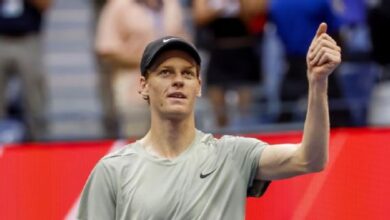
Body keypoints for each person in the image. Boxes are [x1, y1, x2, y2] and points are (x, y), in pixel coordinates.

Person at [78, 22, 341, 219]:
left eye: (188, 73)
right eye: (165, 72)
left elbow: (311, 158)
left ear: (199, 85)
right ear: (144, 86)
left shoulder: (232, 154)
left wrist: (317, 83)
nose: (178, 80)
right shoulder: (113, 170)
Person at [95, 0, 189, 138]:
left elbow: (184, 41)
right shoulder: (119, 5)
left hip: (172, 86)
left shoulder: (171, 4)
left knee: (174, 139)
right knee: (137, 139)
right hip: (134, 87)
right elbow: (106, 50)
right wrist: (150, 62)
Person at [192, 0, 267, 128]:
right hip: (218, 51)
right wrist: (220, 8)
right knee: (218, 107)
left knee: (246, 111)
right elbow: (199, 17)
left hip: (243, 50)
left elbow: (255, 14)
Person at [0, 0, 50, 141]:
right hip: (1, 36)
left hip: (28, 37)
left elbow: (45, 5)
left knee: (34, 93)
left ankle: (39, 139)